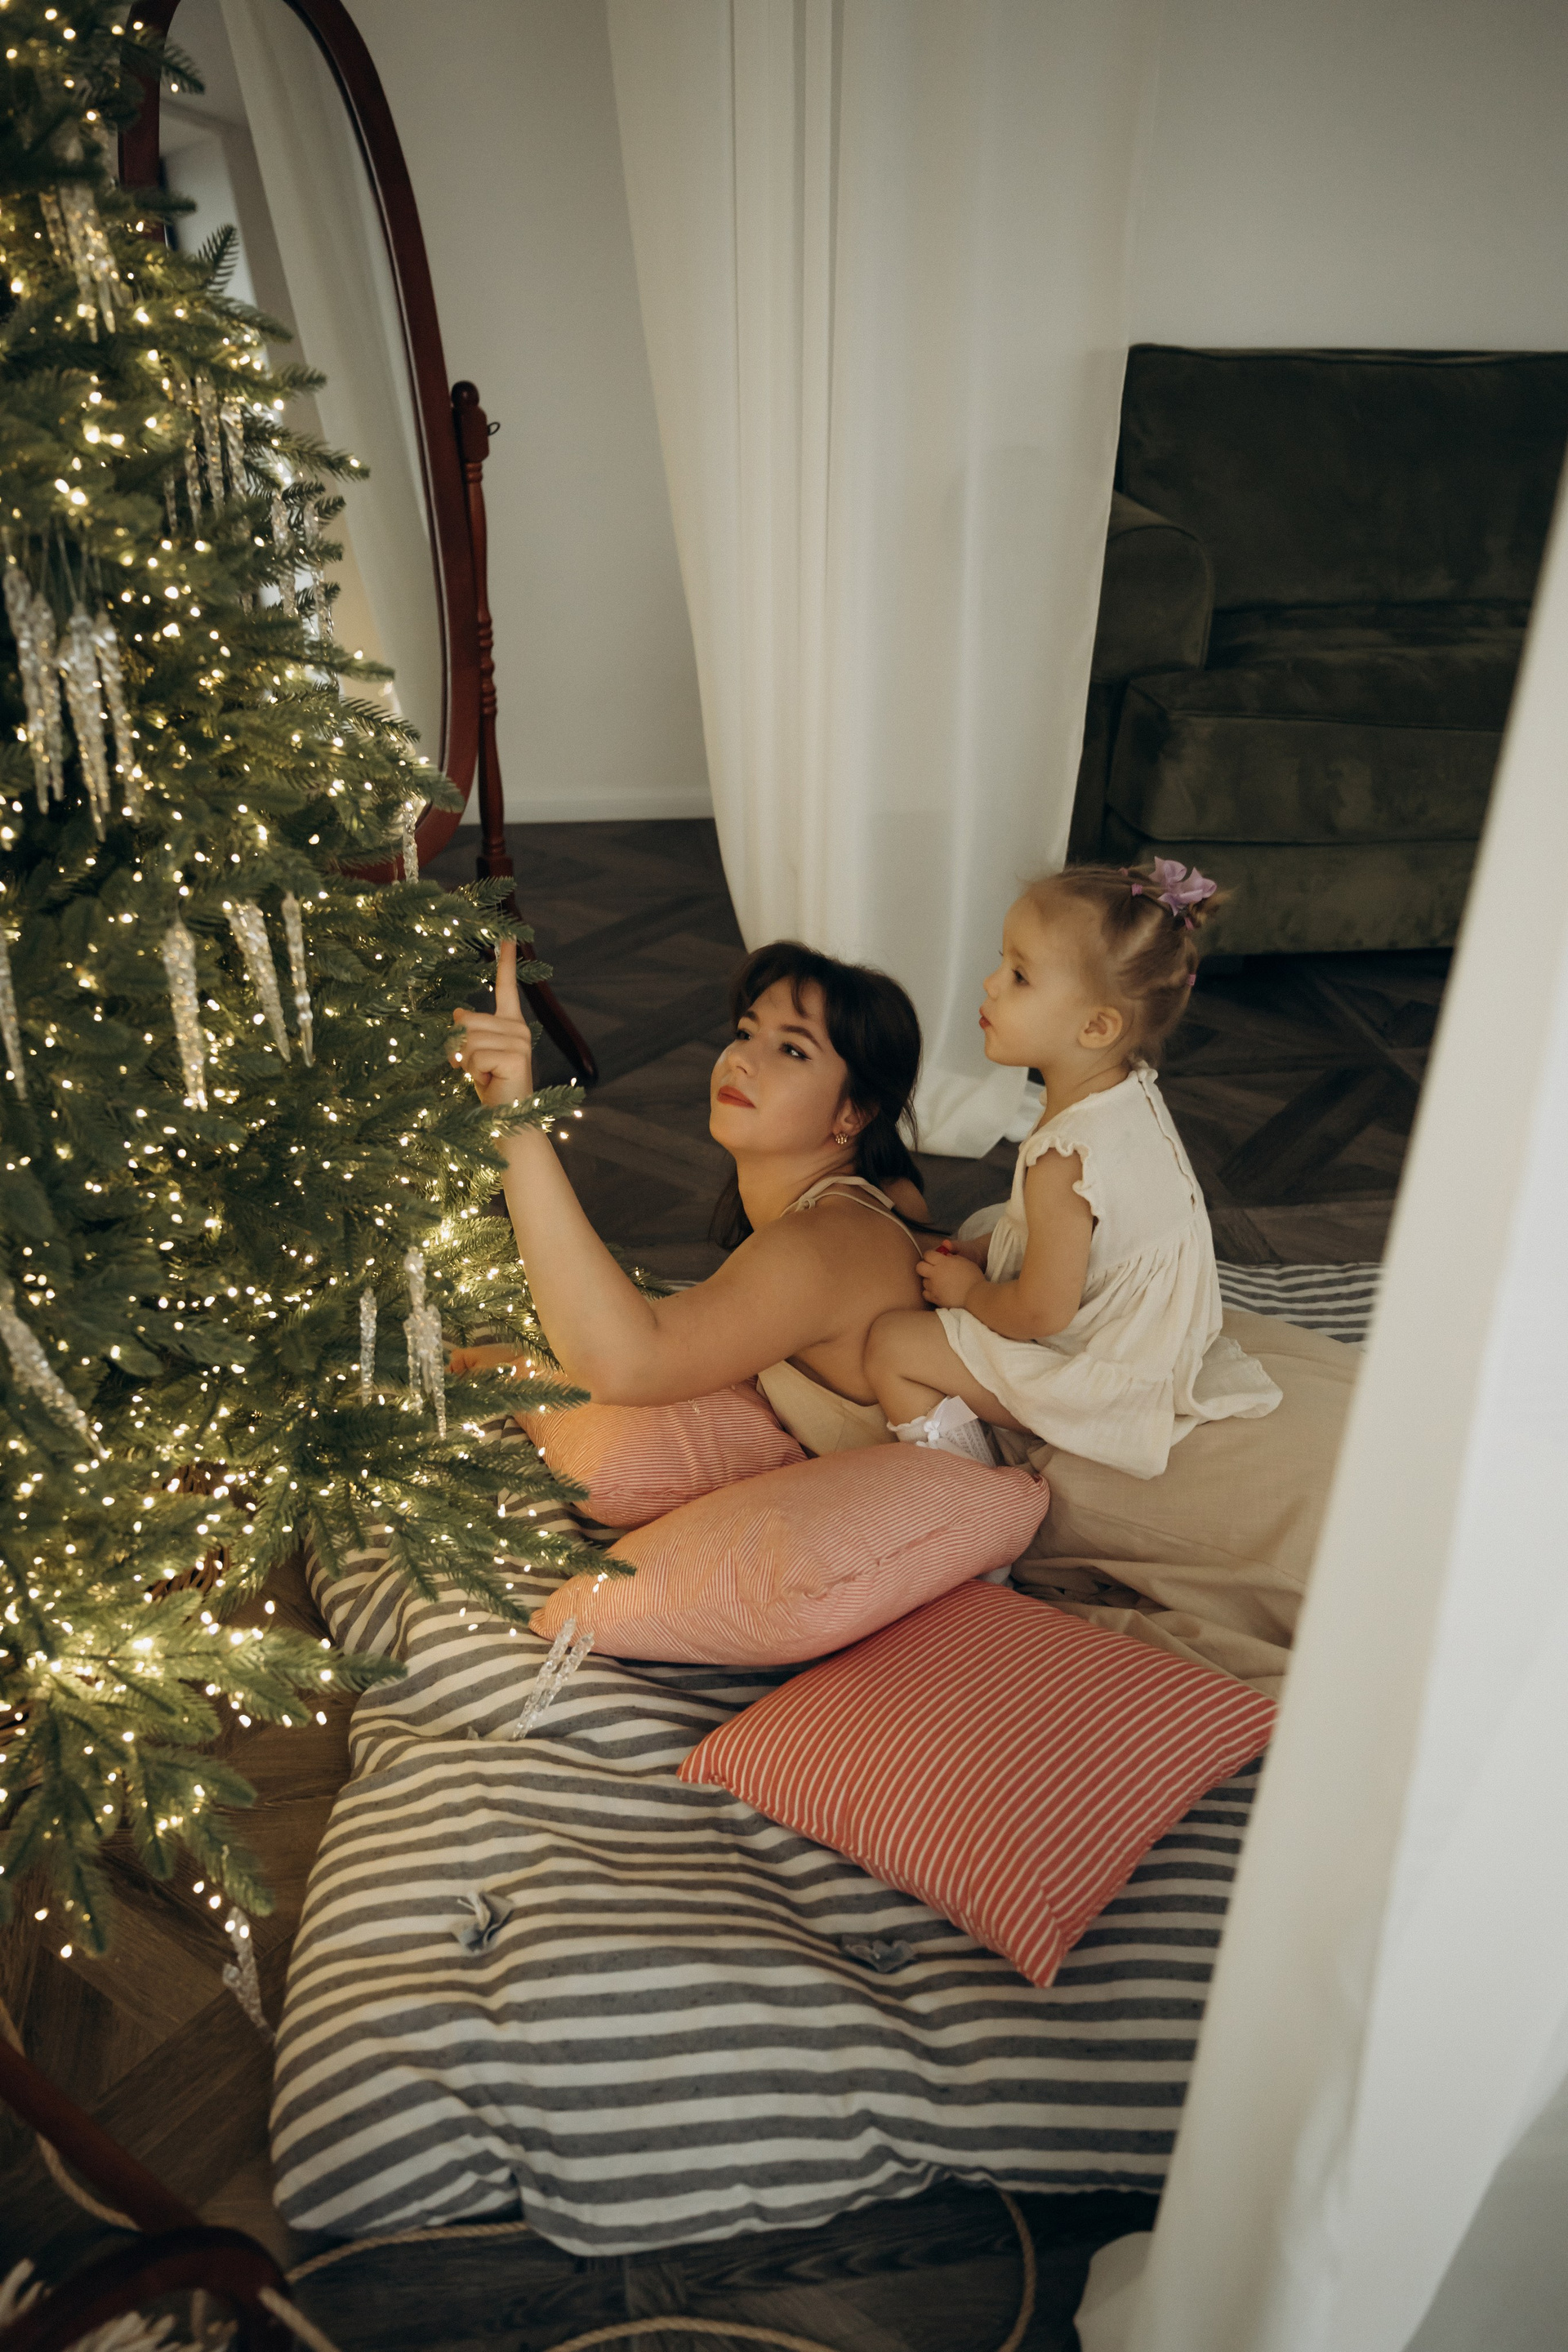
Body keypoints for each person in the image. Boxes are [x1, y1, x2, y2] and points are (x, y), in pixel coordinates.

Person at [863, 861, 1282, 1480]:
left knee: (892, 1344)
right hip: (1154, 1340)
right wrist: (987, 1252)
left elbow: (1042, 1314)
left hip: (1105, 1377)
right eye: (1002, 963)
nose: (991, 983)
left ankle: (965, 1495)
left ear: (1096, 1026)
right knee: (983, 1226)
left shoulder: (1064, 1159)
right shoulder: (1130, 1094)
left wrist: (971, 1293)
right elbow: (1091, 1237)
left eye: (1020, 976)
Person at [447, 937, 930, 1433]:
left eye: (792, 1049)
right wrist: (531, 1362)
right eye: (745, 1033)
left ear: (854, 1112)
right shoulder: (884, 1195)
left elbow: (625, 1365)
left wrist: (515, 1120)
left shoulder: (821, 1247)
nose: (741, 1059)